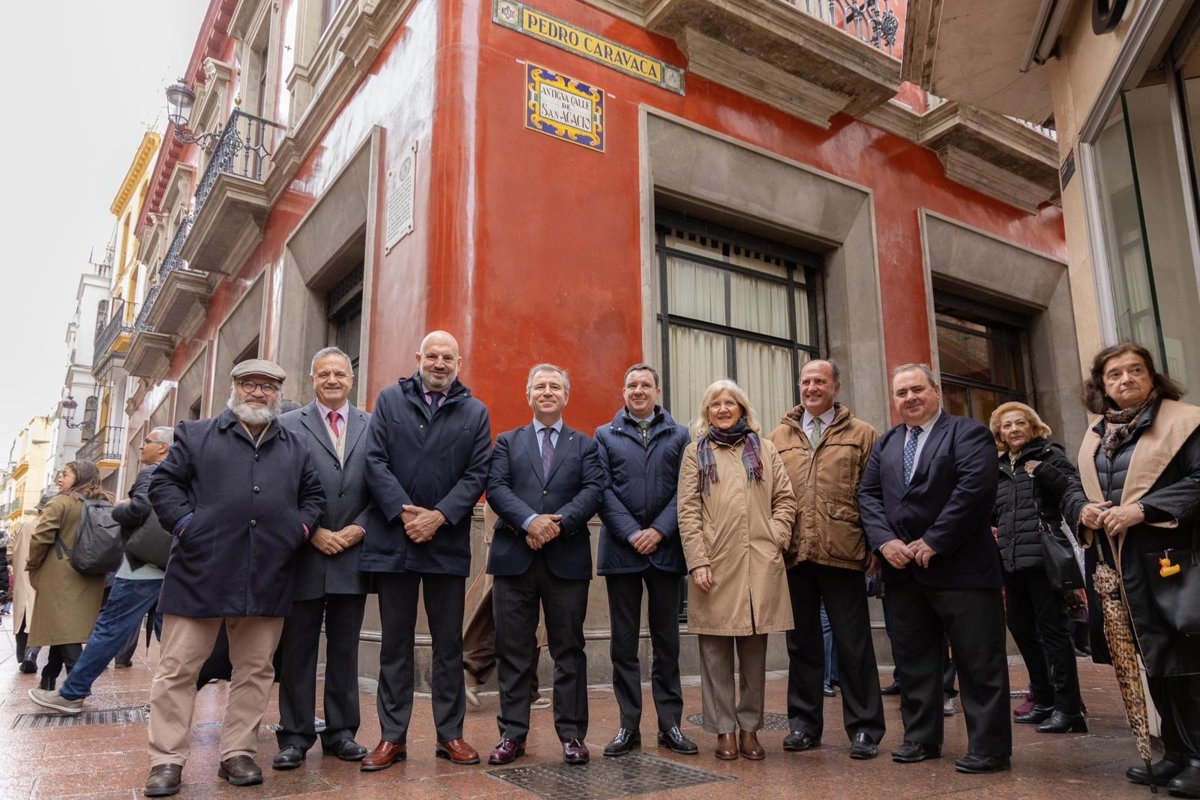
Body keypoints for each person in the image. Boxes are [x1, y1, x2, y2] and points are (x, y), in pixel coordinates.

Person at [143, 359, 325, 797]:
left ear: (278, 394)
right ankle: (166, 760)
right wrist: (187, 525)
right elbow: (163, 486)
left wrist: (297, 530)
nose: (258, 392)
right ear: (235, 387)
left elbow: (314, 496)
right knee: (178, 669)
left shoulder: (296, 445)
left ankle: (238, 752)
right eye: (249, 384)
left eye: (268, 386)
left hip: (268, 573)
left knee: (256, 669)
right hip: (199, 571)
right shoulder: (195, 434)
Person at [1061, 343, 1200, 796]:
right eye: (1115, 374)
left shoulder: (1185, 422)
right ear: (1101, 386)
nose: (1126, 379)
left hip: (1174, 562)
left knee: (1186, 663)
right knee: (1155, 660)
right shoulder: (1097, 434)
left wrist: (1143, 509)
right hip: (1122, 567)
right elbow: (1073, 488)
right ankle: (1176, 753)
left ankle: (1198, 758)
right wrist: (1082, 510)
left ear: (1152, 376)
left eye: (1136, 370)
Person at [858, 364, 1010, 775]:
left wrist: (935, 540)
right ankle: (921, 738)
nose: (909, 397)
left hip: (962, 570)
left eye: (917, 389)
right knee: (914, 661)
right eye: (901, 392)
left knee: (979, 662)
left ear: (935, 391)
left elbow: (974, 490)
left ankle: (990, 748)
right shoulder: (887, 443)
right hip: (903, 572)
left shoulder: (968, 433)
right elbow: (868, 495)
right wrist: (884, 542)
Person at [359, 331, 492, 770]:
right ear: (418, 357)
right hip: (394, 541)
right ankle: (391, 738)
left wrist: (439, 516)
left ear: (459, 363)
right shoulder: (389, 401)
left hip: (446, 543)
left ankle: (450, 735)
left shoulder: (475, 412)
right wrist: (406, 514)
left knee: (448, 645)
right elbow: (374, 461)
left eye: (447, 357)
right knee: (394, 645)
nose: (439, 363)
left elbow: (477, 473)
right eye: (432, 355)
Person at [485, 363, 604, 766]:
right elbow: (496, 487)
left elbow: (594, 489)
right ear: (529, 395)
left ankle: (572, 734)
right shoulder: (507, 441)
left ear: (566, 396)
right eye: (540, 386)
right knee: (513, 650)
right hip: (514, 558)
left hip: (566, 558)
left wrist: (557, 524)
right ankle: (511, 734)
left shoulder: (585, 445)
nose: (548, 391)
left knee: (569, 650)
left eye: (555, 386)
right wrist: (529, 522)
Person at [768, 358, 885, 760]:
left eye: (820, 381)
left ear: (836, 387)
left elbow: (874, 493)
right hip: (794, 553)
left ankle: (865, 728)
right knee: (801, 645)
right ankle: (803, 725)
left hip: (844, 551)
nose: (812, 388)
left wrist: (876, 544)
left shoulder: (862, 433)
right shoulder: (778, 437)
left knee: (854, 644)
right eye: (806, 381)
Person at [677, 379, 797, 761]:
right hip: (714, 564)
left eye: (730, 403)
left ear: (743, 409)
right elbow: (688, 511)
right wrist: (697, 560)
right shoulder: (695, 452)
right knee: (714, 654)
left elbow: (785, 499)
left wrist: (776, 536)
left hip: (758, 563)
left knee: (754, 656)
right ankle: (724, 730)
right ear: (707, 412)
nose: (723, 409)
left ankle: (749, 729)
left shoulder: (764, 448)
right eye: (715, 404)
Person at [272, 347, 374, 769]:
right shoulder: (286, 425)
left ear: (351, 379)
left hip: (353, 552)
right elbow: (276, 486)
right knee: (298, 649)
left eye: (340, 374)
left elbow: (384, 484)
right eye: (324, 374)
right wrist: (311, 532)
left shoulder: (373, 425)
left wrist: (360, 528)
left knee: (345, 648)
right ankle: (295, 736)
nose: (333, 380)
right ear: (312, 379)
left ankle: (342, 732)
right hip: (304, 553)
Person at [28, 429, 174, 714]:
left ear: (163, 448)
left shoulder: (151, 473)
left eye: (147, 441)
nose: (141, 445)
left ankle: (72, 693)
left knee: (110, 628)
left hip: (140, 566)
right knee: (170, 636)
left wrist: (120, 509)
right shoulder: (185, 474)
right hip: (170, 563)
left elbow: (140, 509)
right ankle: (172, 699)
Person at [594, 363, 697, 758]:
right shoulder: (604, 435)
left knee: (667, 642)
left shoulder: (680, 435)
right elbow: (601, 489)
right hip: (622, 551)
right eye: (631, 385)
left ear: (658, 391)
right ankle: (628, 726)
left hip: (666, 550)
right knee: (623, 644)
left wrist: (659, 531)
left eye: (645, 385)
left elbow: (685, 489)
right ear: (624, 392)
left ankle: (670, 725)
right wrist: (632, 533)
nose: (638, 390)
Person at [989, 401, 1085, 733]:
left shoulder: (1049, 455)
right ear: (1000, 433)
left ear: (1033, 427)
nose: (1013, 429)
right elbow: (996, 512)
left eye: (1020, 423)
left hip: (1044, 558)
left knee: (1054, 632)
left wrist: (1044, 471)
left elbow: (1072, 490)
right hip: (1011, 559)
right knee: (1020, 626)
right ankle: (1043, 699)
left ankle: (1069, 709)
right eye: (1006, 425)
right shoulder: (1001, 466)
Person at [24, 461, 110, 691]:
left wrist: (33, 564)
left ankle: (77, 687)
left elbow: (41, 538)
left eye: (65, 474)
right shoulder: (103, 503)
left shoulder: (61, 502)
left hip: (61, 575)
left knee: (65, 630)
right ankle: (48, 677)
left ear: (79, 477)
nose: (60, 479)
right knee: (64, 625)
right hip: (93, 574)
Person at [7, 508, 40, 674]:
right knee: (38, 619)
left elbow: (9, 551)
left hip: (22, 578)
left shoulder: (22, 526)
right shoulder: (49, 526)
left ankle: (22, 657)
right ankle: (30, 655)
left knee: (21, 619)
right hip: (40, 579)